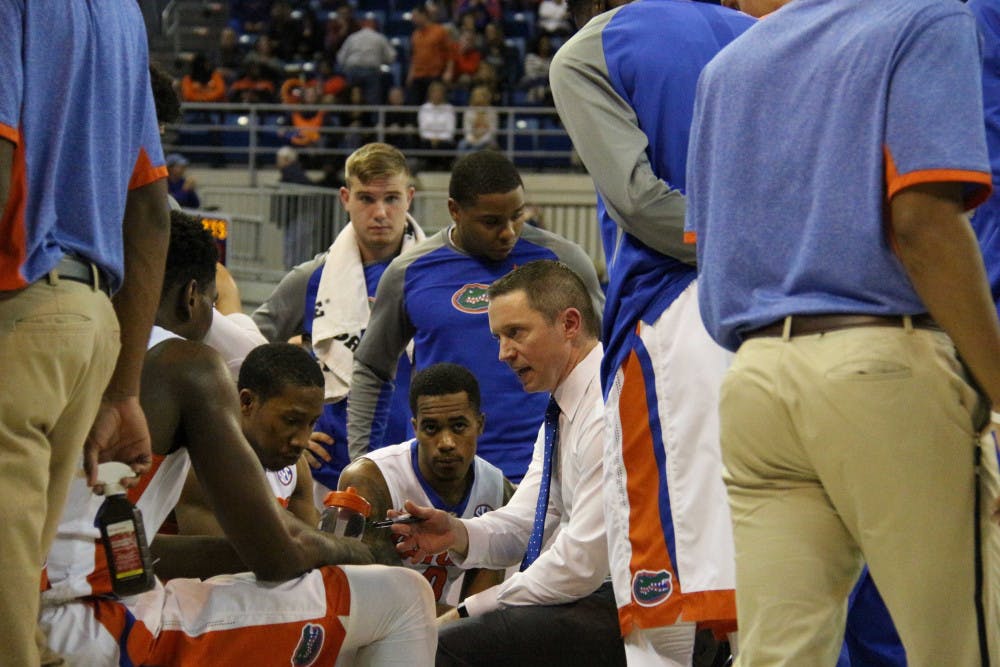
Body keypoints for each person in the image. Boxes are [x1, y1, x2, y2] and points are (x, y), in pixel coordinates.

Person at [685, 1, 1000, 665]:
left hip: (754, 377)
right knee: (961, 648)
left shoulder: (729, 64)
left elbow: (708, 247)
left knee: (780, 654)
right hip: (880, 361)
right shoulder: (926, 18)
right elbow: (924, 224)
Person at [39, 206, 437, 665]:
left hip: (27, 607)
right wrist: (363, 551)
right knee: (403, 595)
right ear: (193, 297)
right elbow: (278, 555)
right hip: (92, 623)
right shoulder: (183, 365)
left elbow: (129, 550)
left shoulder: (61, 347)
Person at [550, 1, 753, 663]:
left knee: (658, 589)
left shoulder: (590, 49)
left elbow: (640, 202)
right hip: (785, 313)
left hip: (677, 317)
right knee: (772, 577)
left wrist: (752, 235)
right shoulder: (760, 30)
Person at [0, 5, 169, 664]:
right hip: (90, 319)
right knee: (18, 593)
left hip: (18, 303)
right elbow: (151, 207)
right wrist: (124, 388)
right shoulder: (122, 13)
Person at [393, 260, 625, 666]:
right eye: (499, 337)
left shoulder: (608, 407)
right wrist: (457, 533)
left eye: (515, 333)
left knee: (446, 645)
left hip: (640, 602)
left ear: (569, 324)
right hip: (604, 593)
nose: (503, 354)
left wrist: (471, 607)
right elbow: (527, 521)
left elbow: (580, 564)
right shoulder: (567, 404)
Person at [348, 150, 605, 484]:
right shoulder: (409, 271)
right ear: (455, 210)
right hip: (445, 475)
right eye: (491, 222)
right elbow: (372, 369)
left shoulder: (563, 261)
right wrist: (361, 462)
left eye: (517, 216)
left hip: (546, 469)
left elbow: (606, 355)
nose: (508, 232)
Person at [302, 143, 427, 500]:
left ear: (410, 197)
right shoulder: (312, 278)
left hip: (421, 470)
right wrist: (288, 432)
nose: (380, 212)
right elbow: (248, 349)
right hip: (330, 471)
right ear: (345, 198)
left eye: (391, 198)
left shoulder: (439, 275)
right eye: (366, 199)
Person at [338, 362, 513, 611]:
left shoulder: (496, 489)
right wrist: (459, 623)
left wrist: (461, 626)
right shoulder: (370, 480)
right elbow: (376, 598)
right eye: (431, 428)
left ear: (480, 424)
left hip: (436, 629)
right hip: (368, 629)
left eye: (459, 426)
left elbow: (478, 612)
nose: (446, 442)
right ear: (415, 428)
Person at [175, 342, 323, 536]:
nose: (302, 442)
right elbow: (233, 559)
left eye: (311, 423)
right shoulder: (203, 464)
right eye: (291, 420)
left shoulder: (296, 467)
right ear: (247, 402)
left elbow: (309, 550)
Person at [336, 13, 397, 105]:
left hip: (353, 70)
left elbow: (340, 57)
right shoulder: (379, 37)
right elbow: (392, 57)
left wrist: (345, 68)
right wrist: (382, 60)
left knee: (352, 97)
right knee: (371, 100)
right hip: (371, 70)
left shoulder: (353, 37)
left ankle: (351, 117)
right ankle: (371, 119)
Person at [406, 5, 452, 105]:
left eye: (415, 16)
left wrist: (449, 71)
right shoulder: (415, 35)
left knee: (434, 103)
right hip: (417, 75)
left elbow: (450, 53)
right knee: (414, 104)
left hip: (434, 75)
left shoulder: (439, 31)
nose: (413, 19)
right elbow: (414, 56)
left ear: (424, 15)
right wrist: (410, 74)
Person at [417, 80, 457, 170]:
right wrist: (432, 139)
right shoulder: (424, 108)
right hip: (428, 140)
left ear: (443, 94)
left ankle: (444, 170)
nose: (437, 94)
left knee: (445, 146)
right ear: (430, 93)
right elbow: (423, 130)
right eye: (434, 92)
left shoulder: (449, 108)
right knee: (425, 145)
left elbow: (450, 130)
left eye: (439, 92)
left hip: (444, 141)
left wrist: (438, 139)